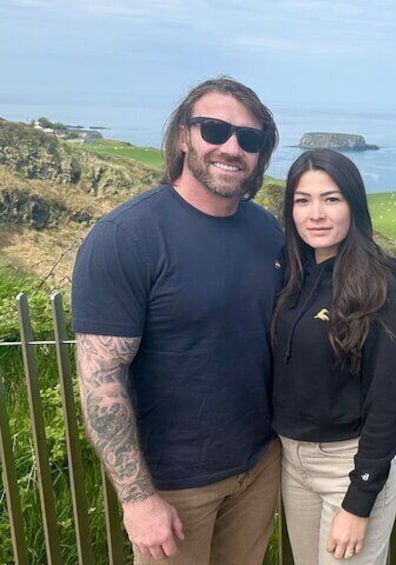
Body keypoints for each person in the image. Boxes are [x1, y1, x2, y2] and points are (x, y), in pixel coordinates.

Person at [71, 77, 284, 564]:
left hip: (258, 466)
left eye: (249, 139)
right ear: (184, 137)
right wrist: (137, 498)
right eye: (214, 130)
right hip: (174, 488)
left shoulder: (265, 229)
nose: (231, 147)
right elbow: (101, 378)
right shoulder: (127, 238)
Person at [272, 148, 396, 563]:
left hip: (347, 465)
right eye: (303, 200)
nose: (316, 213)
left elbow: (387, 404)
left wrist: (358, 501)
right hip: (293, 461)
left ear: (353, 205)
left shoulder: (377, 290)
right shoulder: (290, 276)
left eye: (331, 199)